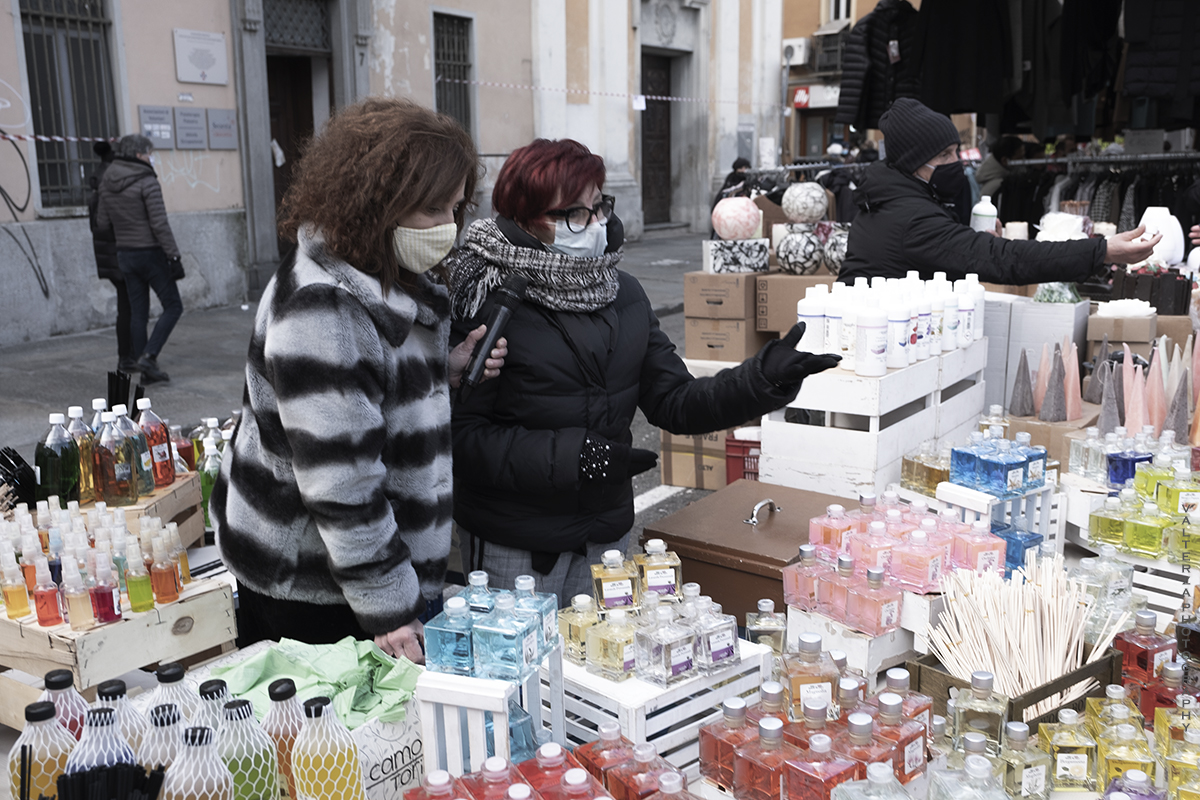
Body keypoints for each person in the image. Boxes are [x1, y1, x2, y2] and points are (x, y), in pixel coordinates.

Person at [445, 138, 841, 604]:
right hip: (517, 547)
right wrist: (576, 458)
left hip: (606, 536)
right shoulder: (487, 296)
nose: (594, 225)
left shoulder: (623, 291)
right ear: (524, 219)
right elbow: (463, 438)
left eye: (598, 207)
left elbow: (673, 401)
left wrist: (760, 379)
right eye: (573, 214)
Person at [210, 98, 506, 663]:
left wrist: (443, 370)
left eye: (456, 208)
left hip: (370, 581)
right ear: (379, 205)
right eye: (431, 210)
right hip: (317, 590)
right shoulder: (324, 307)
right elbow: (342, 481)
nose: (448, 227)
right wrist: (390, 609)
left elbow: (369, 387)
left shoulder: (390, 271)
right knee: (333, 748)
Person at [839, 98, 1161, 284]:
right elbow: (1007, 259)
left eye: (955, 150)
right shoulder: (911, 217)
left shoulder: (888, 199)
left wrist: (968, 239)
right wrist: (1101, 250)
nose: (956, 162)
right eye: (943, 156)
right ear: (913, 164)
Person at [95, 134, 183, 384]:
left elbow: (102, 223)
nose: (150, 158)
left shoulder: (106, 182)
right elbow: (159, 223)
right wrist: (173, 255)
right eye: (148, 154)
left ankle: (146, 369)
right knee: (174, 306)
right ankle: (149, 356)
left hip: (125, 254)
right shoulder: (147, 181)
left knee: (138, 313)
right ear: (138, 155)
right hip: (150, 253)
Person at [87, 141, 133, 373]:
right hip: (120, 253)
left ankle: (128, 356)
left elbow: (95, 227)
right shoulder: (112, 186)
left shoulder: (98, 186)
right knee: (130, 307)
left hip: (110, 254)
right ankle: (127, 357)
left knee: (128, 306)